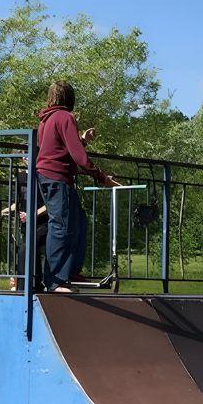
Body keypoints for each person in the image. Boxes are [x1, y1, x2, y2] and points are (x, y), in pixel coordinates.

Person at [34, 80, 116, 293]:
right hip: (56, 177)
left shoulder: (47, 120)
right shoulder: (65, 117)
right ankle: (54, 281)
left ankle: (70, 271)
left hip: (49, 175)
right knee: (61, 226)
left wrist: (82, 140)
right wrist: (101, 177)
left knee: (78, 221)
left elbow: (60, 148)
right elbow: (78, 156)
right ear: (70, 98)